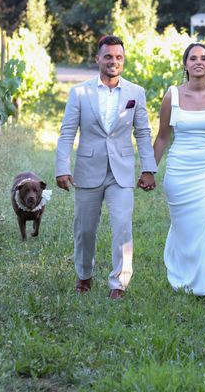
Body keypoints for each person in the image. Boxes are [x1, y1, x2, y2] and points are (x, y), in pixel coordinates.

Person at [55, 35, 157, 300]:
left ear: (124, 60)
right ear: (97, 59)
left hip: (121, 171)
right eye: (108, 56)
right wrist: (62, 168)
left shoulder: (136, 92)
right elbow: (67, 133)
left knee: (122, 225)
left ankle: (118, 284)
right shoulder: (80, 92)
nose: (114, 61)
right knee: (85, 229)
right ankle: (84, 275)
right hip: (88, 169)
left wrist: (148, 168)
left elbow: (143, 133)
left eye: (119, 57)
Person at [151, 43, 205, 305]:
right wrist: (148, 171)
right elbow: (162, 138)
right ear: (185, 64)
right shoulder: (172, 96)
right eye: (193, 58)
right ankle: (187, 277)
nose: (198, 62)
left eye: (203, 58)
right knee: (186, 228)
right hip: (179, 170)